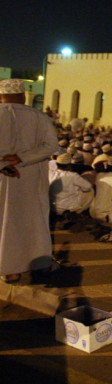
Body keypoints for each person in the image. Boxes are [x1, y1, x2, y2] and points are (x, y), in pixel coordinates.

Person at [0, 79, 58, 282]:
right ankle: (40, 263)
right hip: (31, 178)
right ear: (24, 96)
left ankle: (9, 269)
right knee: (34, 219)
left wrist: (4, 165)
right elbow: (51, 145)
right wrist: (22, 159)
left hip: (2, 178)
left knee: (4, 222)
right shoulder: (39, 117)